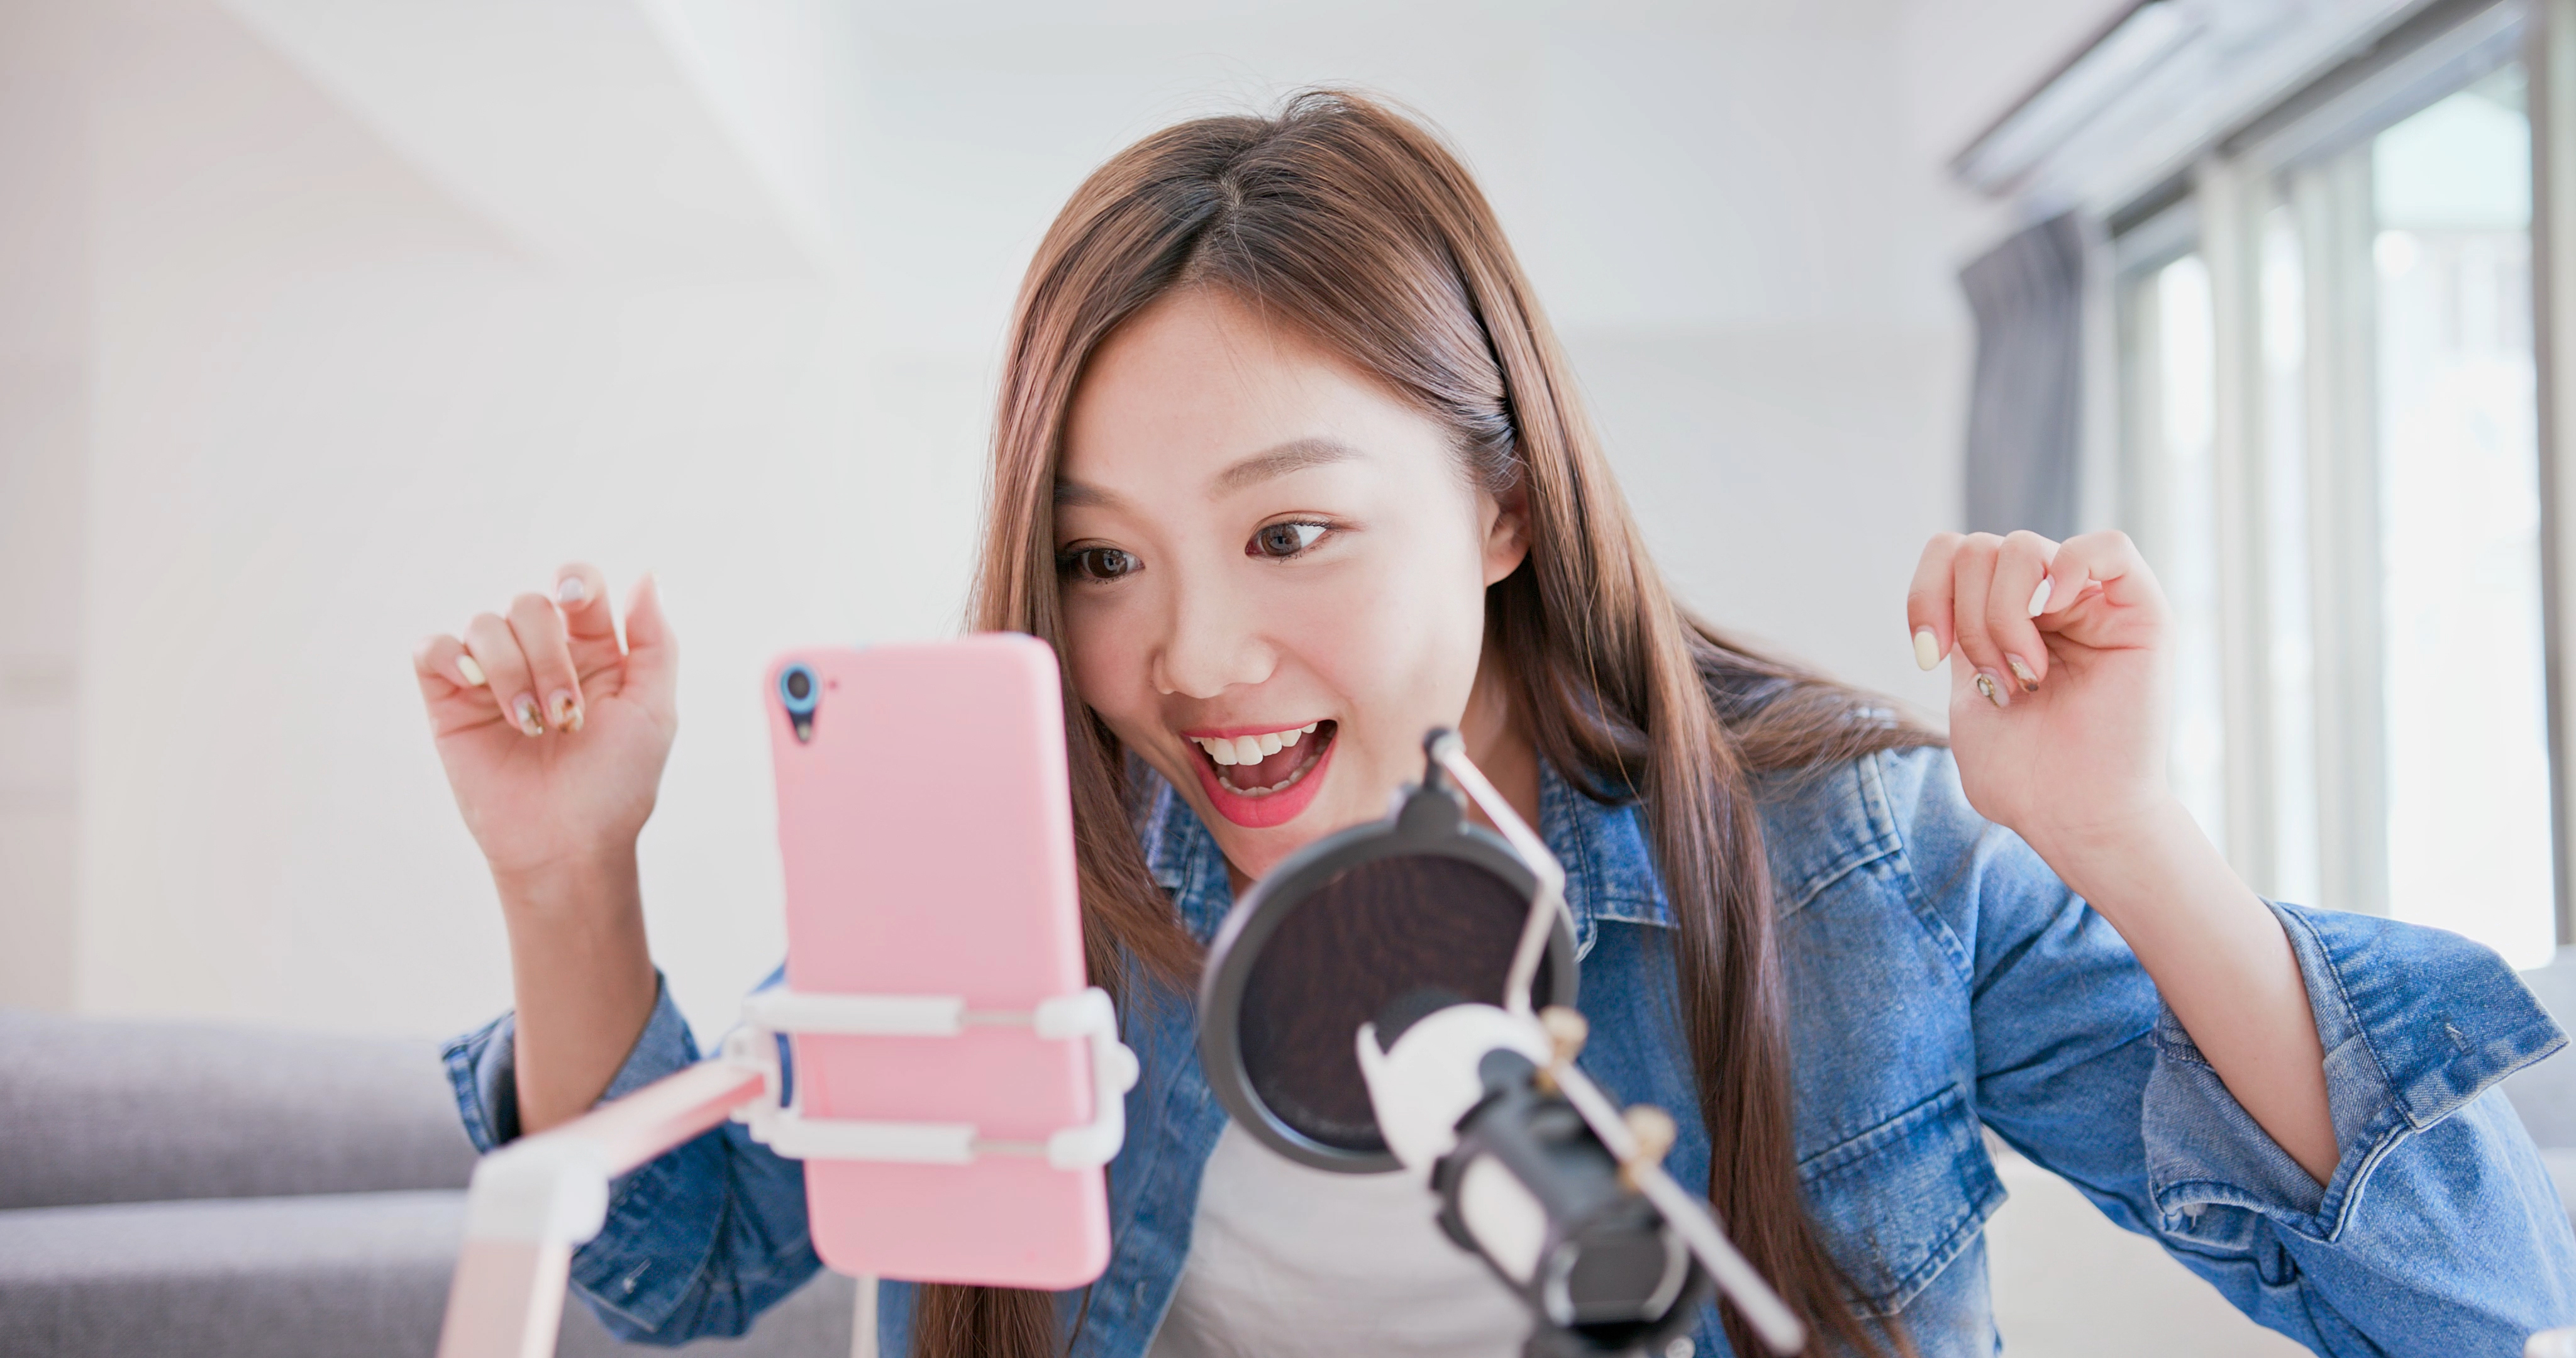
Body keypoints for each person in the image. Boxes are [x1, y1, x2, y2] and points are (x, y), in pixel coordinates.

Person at [415, 91, 2576, 1358]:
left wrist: (2127, 837)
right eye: (1102, 561)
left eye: (1290, 534)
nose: (1191, 660)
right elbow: (676, 1266)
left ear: (1506, 504)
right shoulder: (1025, 857)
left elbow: (2470, 1301)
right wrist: (560, 868)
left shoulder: (1850, 872)